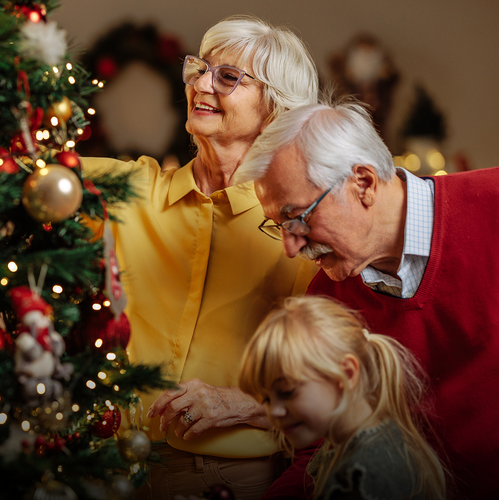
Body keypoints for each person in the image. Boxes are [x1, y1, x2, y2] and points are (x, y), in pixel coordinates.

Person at [235, 98, 499, 499]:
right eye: (277, 225)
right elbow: (322, 450)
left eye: (297, 218)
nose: (290, 247)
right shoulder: (327, 299)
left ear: (363, 183)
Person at [81, 15, 319, 499]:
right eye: (199, 69)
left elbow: (345, 378)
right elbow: (16, 172)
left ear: (274, 106)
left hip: (232, 478)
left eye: (227, 77)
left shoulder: (303, 226)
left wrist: (248, 405)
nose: (201, 85)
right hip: (114, 467)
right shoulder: (134, 189)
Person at [239, 295, 447, 500]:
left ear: (346, 373)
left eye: (287, 392)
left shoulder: (364, 475)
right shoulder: (363, 441)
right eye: (266, 400)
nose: (273, 411)